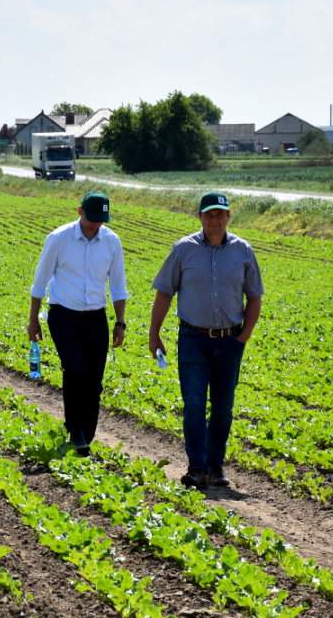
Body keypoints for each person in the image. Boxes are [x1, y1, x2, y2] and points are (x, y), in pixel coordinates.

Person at [149, 192, 263, 490]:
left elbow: (254, 296)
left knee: (223, 407)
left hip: (229, 341)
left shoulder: (243, 251)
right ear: (200, 217)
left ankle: (215, 465)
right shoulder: (183, 249)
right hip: (193, 339)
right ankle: (197, 467)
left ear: (229, 217)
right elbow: (164, 292)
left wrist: (244, 335)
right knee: (195, 403)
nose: (215, 220)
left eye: (220, 214)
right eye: (209, 214)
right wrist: (154, 332)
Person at [27, 192, 128, 457]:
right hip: (63, 315)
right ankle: (76, 431)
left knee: (94, 378)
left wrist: (120, 322)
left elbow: (117, 286)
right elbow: (40, 282)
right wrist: (33, 320)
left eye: (100, 221)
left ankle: (87, 430)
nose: (95, 225)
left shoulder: (111, 242)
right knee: (74, 370)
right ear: (79, 211)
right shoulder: (59, 239)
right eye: (91, 218)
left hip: (95, 317)